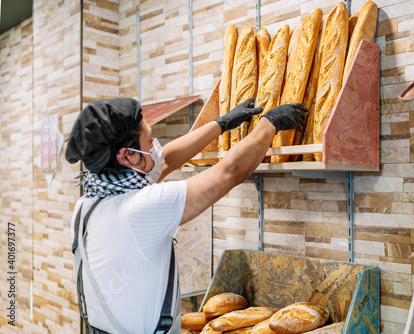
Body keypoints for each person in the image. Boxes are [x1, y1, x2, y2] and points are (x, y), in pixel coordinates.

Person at [65, 97, 306, 334]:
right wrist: (269, 123)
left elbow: (166, 161)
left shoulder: (88, 205)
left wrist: (222, 124)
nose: (156, 146)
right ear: (127, 155)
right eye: (150, 140)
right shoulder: (141, 210)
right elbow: (229, 172)